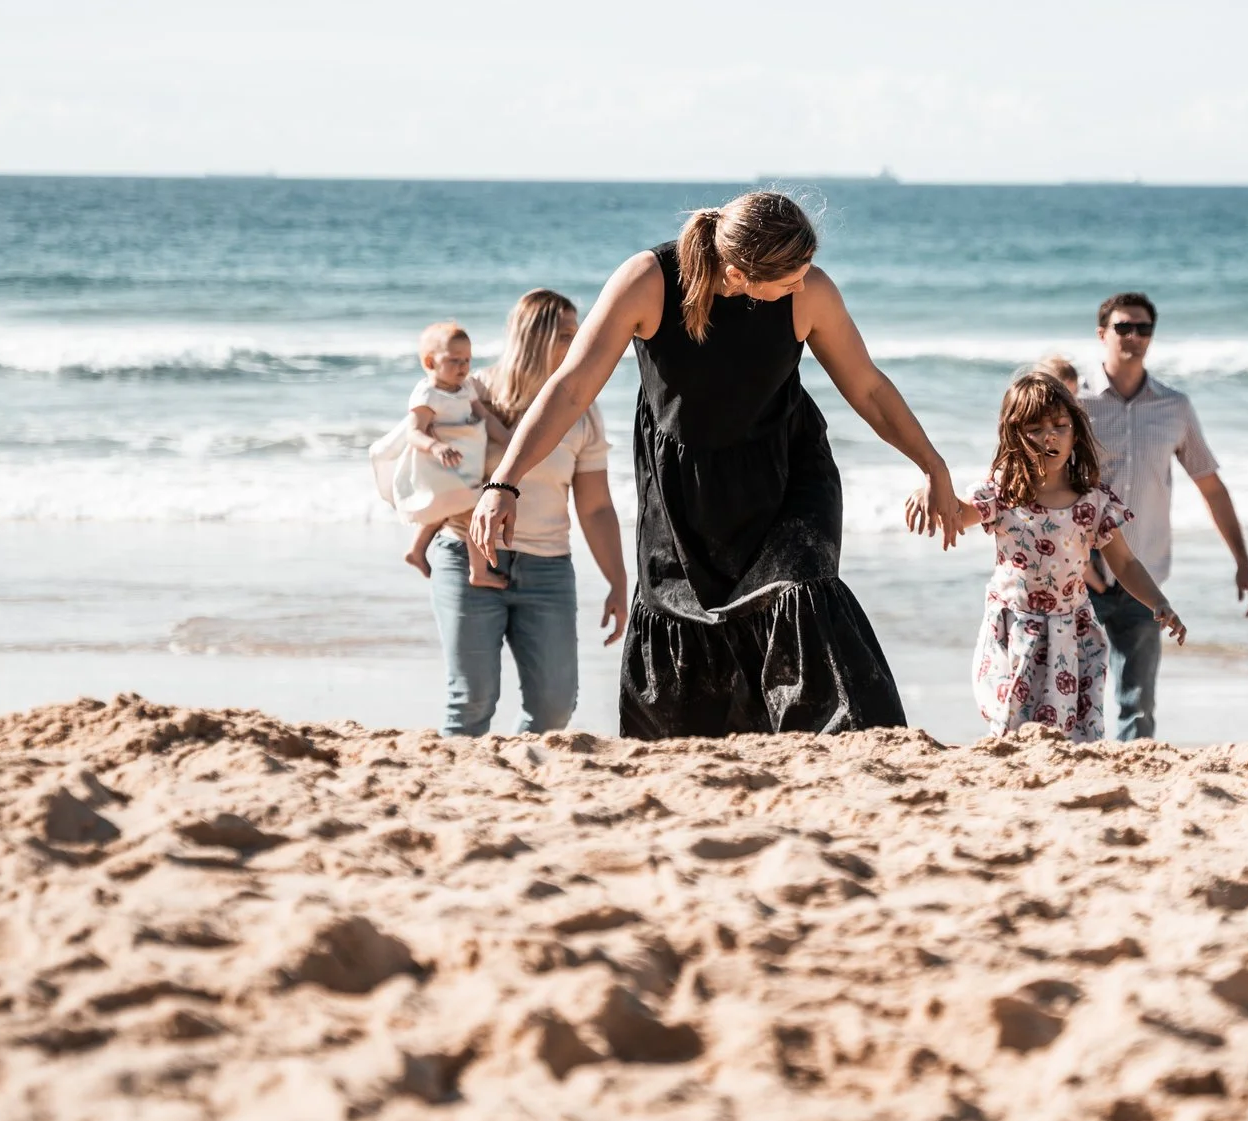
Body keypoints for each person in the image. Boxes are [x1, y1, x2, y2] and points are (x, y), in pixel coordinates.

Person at [471, 192, 968, 738]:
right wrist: (504, 481)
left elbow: (868, 388)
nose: (803, 285)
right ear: (737, 273)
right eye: (790, 279)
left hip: (789, 476)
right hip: (684, 494)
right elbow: (570, 388)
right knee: (685, 640)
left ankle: (860, 751)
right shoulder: (648, 281)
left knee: (802, 592)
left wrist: (933, 466)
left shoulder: (811, 292)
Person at [915, 372, 1183, 741]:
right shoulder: (1003, 494)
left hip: (1071, 631)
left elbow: (1125, 562)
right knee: (1012, 727)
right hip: (1015, 628)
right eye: (1036, 429)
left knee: (1073, 733)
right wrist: (932, 486)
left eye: (1060, 426)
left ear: (1075, 433)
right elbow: (958, 514)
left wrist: (1158, 600)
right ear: (1015, 435)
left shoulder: (1093, 502)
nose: (1050, 437)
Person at [430, 291, 628, 737]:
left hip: (548, 569)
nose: (577, 345)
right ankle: (464, 794)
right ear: (531, 337)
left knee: (554, 708)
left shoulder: (583, 413)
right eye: (565, 335)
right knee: (471, 702)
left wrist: (618, 580)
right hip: (466, 559)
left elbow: (595, 506)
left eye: (577, 335)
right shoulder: (472, 395)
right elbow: (434, 473)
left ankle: (518, 780)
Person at [1079, 291, 1248, 742]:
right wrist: (1080, 559)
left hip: (1145, 571)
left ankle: (1131, 795)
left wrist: (1242, 562)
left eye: (1143, 329)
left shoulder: (1174, 407)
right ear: (1102, 334)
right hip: (1079, 574)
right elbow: (1046, 482)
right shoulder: (1075, 404)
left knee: (1137, 706)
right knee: (1074, 694)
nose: (1134, 337)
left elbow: (1211, 487)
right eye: (1123, 327)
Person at [396, 321, 510, 584]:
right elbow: (413, 432)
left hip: (463, 462)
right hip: (440, 464)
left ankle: (416, 550)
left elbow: (485, 418)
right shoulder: (427, 394)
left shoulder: (466, 387)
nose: (463, 366)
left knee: (447, 508)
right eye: (454, 360)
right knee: (473, 509)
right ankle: (478, 572)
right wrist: (437, 446)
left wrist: (509, 441)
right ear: (430, 362)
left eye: (467, 360)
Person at [1030, 354, 1106, 595]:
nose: (1069, 402)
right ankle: (1089, 572)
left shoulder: (1071, 428)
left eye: (1073, 396)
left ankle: (1090, 571)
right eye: (1062, 395)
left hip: (1076, 506)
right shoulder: (1033, 433)